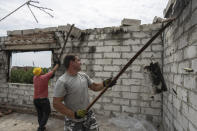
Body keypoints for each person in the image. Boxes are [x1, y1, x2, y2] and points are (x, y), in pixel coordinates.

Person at [53, 54, 116, 131]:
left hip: (88, 115)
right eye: (78, 60)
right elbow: (56, 103)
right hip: (73, 121)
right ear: (71, 63)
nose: (81, 62)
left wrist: (105, 84)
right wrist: (74, 114)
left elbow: (95, 87)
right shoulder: (62, 81)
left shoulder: (83, 76)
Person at [33, 63, 59, 131]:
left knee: (40, 114)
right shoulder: (44, 77)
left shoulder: (34, 78)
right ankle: (40, 128)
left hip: (35, 100)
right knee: (47, 112)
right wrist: (57, 64)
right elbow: (53, 71)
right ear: (40, 72)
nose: (42, 70)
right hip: (43, 100)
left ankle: (42, 126)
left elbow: (49, 74)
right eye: (41, 70)